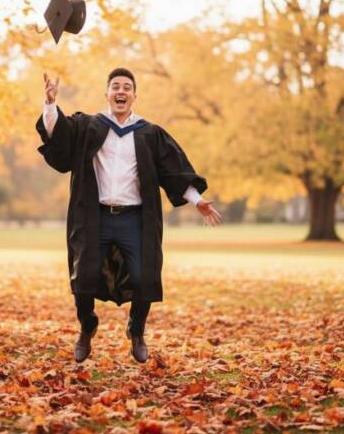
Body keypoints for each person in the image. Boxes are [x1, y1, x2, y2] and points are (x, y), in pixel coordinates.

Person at [36, 68, 222, 363]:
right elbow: (58, 135)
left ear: (134, 95)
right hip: (94, 217)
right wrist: (49, 103)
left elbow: (173, 169)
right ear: (107, 93)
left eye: (126, 87)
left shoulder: (149, 133)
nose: (121, 92)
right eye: (115, 87)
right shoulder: (88, 126)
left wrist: (196, 199)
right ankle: (87, 326)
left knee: (143, 276)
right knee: (83, 276)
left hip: (134, 219)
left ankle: (136, 330)